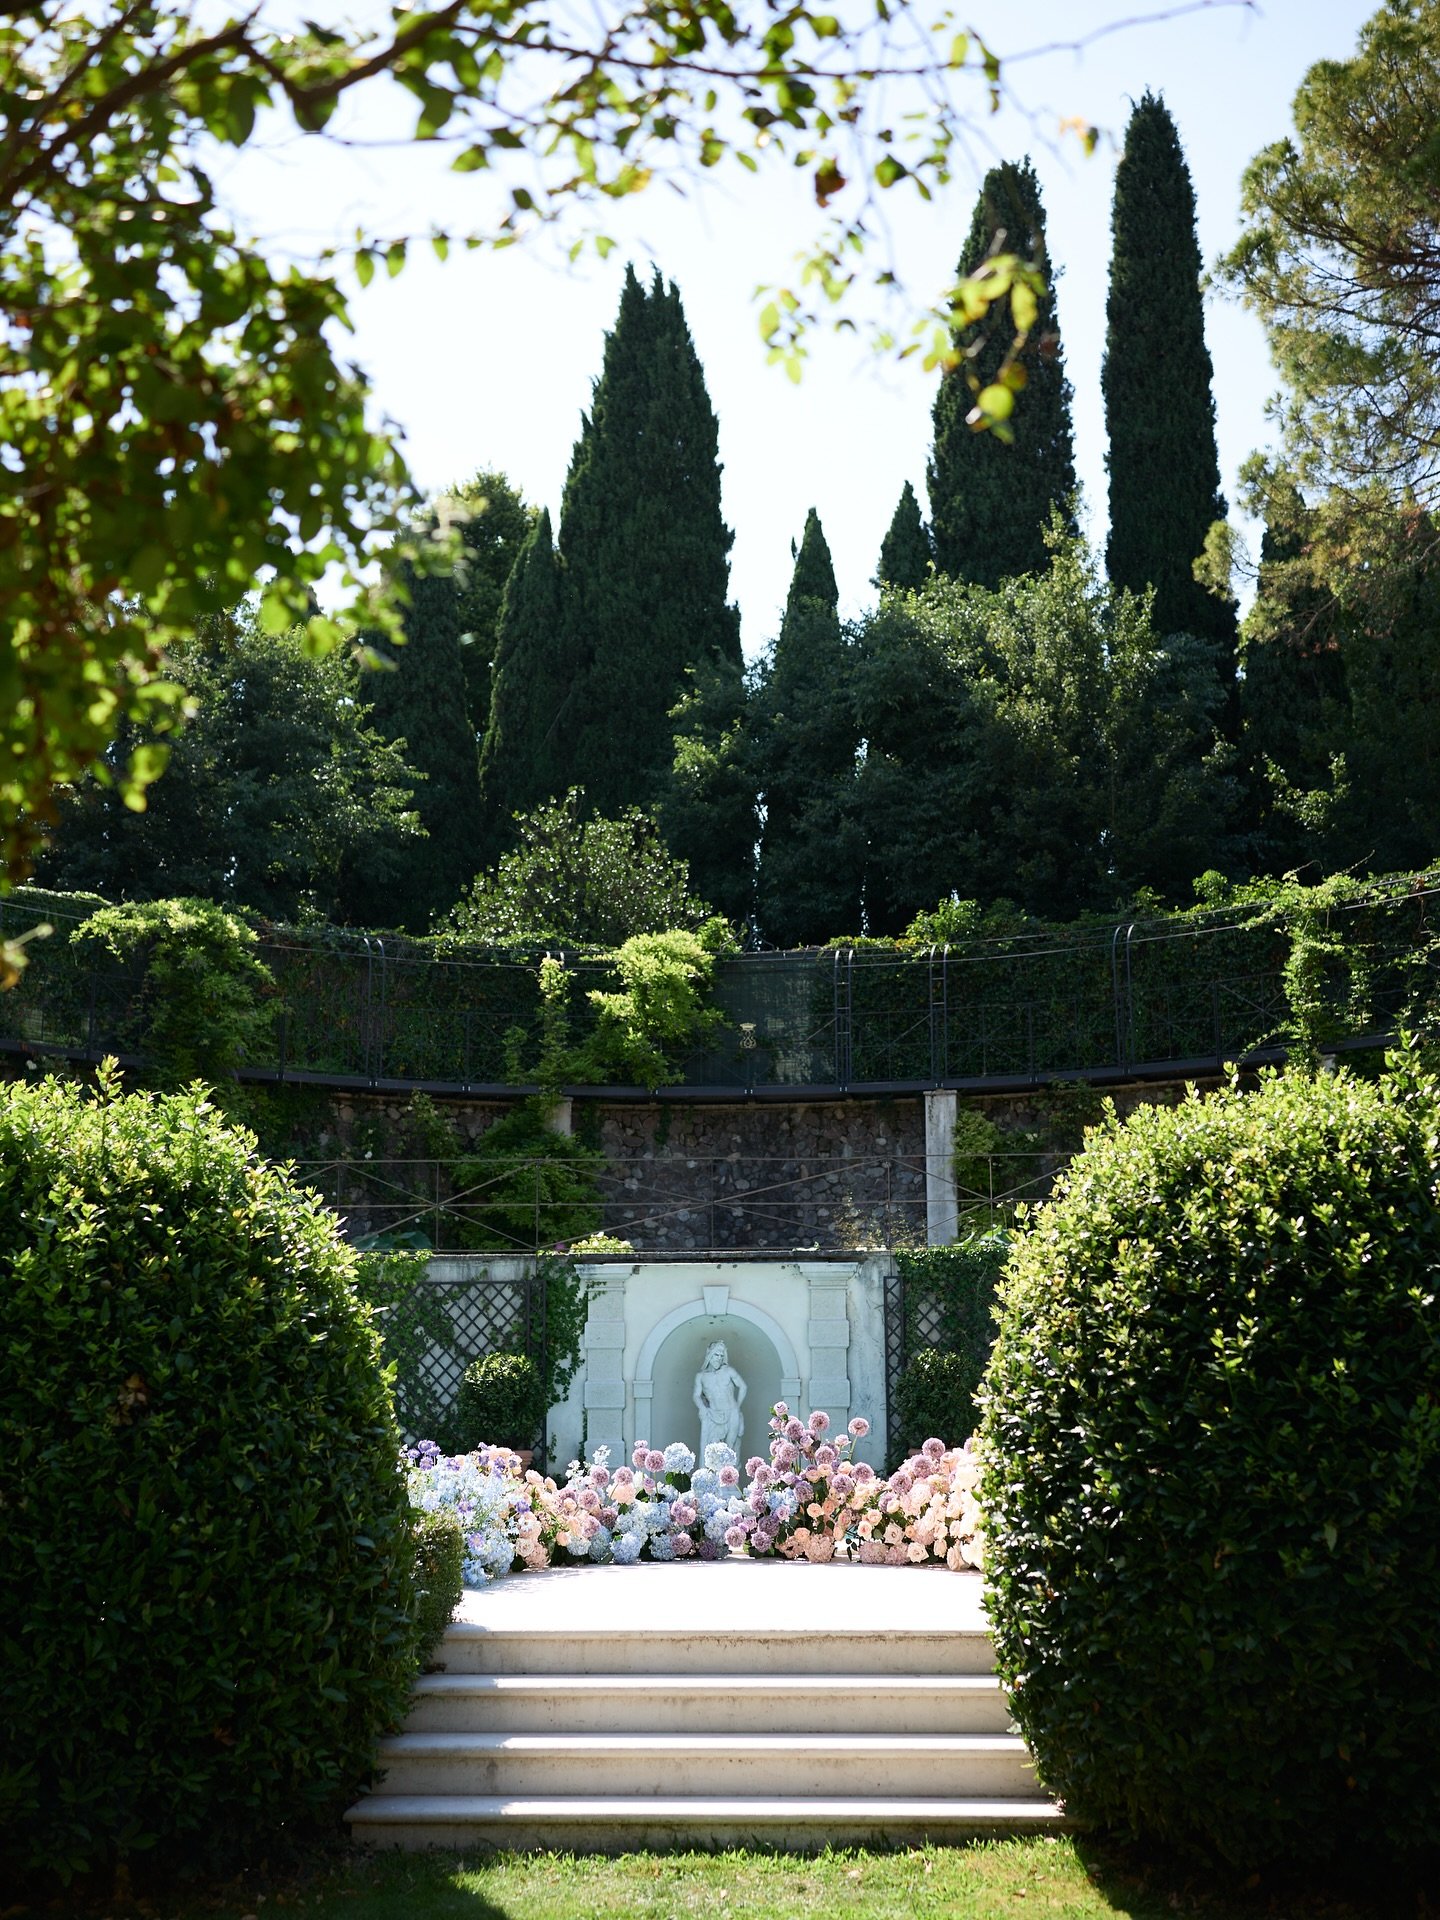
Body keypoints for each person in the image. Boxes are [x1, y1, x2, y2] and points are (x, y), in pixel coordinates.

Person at [693, 1339, 746, 1455]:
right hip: (713, 1415)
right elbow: (696, 1395)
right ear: (709, 1355)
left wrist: (737, 1406)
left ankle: (731, 1467)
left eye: (721, 1356)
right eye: (716, 1355)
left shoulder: (729, 1371)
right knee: (712, 1450)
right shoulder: (701, 1376)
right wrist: (702, 1408)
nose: (719, 1358)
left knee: (730, 1448)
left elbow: (743, 1387)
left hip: (732, 1412)